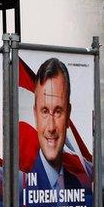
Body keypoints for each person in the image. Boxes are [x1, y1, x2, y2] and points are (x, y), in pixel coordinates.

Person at [30, 58, 82, 190]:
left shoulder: (77, 185)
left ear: (68, 114)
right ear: (35, 115)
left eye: (58, 111)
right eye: (45, 111)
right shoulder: (21, 187)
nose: (51, 127)